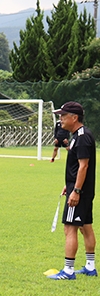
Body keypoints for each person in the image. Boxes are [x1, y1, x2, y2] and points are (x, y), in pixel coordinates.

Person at [47, 102, 97, 280]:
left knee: (70, 228)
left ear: (74, 118)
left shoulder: (82, 137)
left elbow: (84, 166)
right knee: (85, 226)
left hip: (80, 192)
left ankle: (68, 271)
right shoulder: (77, 136)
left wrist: (75, 190)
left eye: (63, 116)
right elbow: (77, 167)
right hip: (81, 189)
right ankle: (90, 266)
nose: (60, 120)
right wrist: (69, 184)